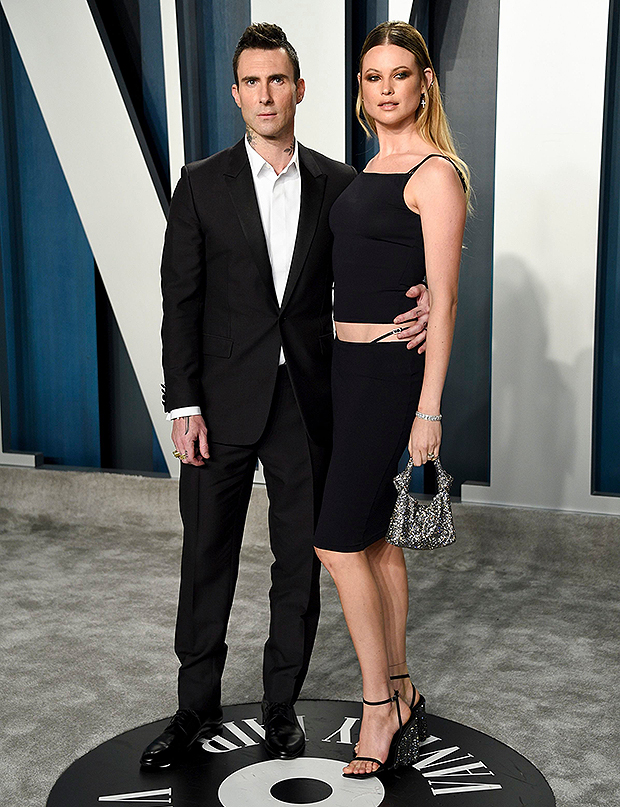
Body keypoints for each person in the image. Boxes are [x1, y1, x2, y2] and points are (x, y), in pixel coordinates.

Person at [140, 23, 429, 769]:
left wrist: (427, 294)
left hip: (307, 398)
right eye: (251, 82)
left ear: (299, 90)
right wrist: (183, 403)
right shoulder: (201, 182)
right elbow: (180, 301)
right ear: (235, 94)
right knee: (207, 555)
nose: (265, 95)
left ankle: (279, 706)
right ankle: (194, 708)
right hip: (218, 405)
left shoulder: (341, 183)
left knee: (300, 562)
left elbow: (380, 259)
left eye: (278, 80)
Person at [313, 21, 469, 778]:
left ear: (424, 83)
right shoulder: (369, 167)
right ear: (360, 89)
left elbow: (444, 300)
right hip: (344, 371)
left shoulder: (436, 173)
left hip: (389, 376)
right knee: (375, 541)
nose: (385, 88)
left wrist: (428, 409)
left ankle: (376, 706)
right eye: (372, 76)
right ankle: (401, 687)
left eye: (399, 74)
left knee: (335, 542)